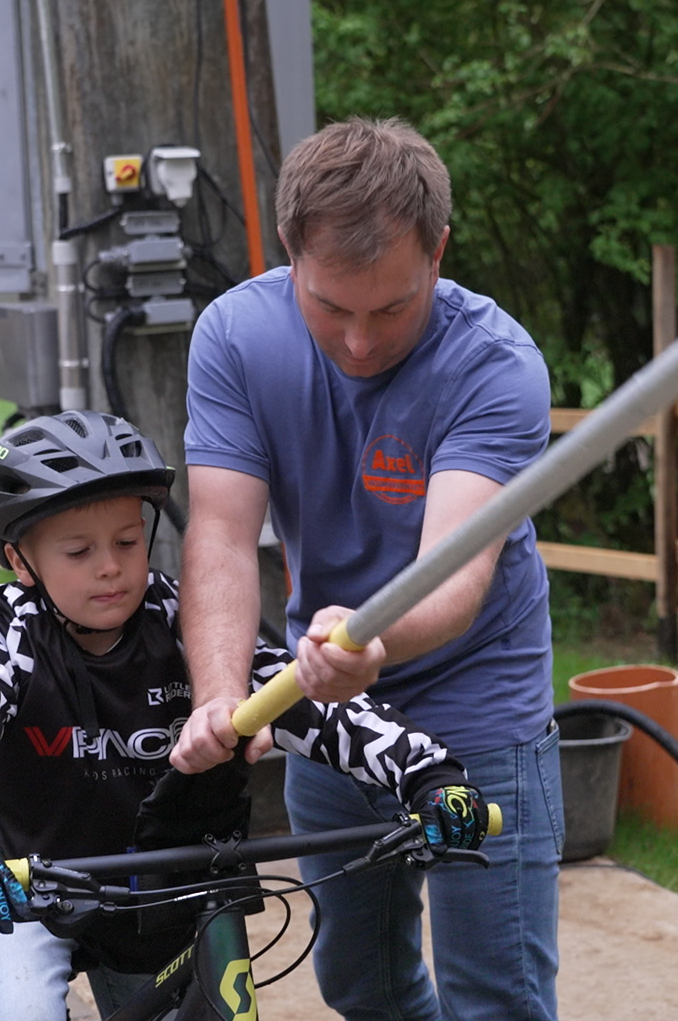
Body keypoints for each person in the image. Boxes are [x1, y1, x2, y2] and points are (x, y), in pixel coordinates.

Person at [0, 411, 487, 1021]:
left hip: (170, 882)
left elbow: (301, 697)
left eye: (128, 542)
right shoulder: (10, 633)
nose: (110, 567)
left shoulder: (187, 621)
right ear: (21, 562)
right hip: (26, 885)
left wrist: (429, 777)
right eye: (79, 551)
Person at [171, 117, 563, 1019]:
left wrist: (371, 641)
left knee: (492, 998)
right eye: (330, 307)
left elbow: (454, 576)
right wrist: (221, 696)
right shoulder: (235, 337)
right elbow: (223, 536)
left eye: (391, 308)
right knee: (362, 983)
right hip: (333, 707)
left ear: (438, 253)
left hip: (479, 711)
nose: (357, 342)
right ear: (290, 256)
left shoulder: (494, 367)